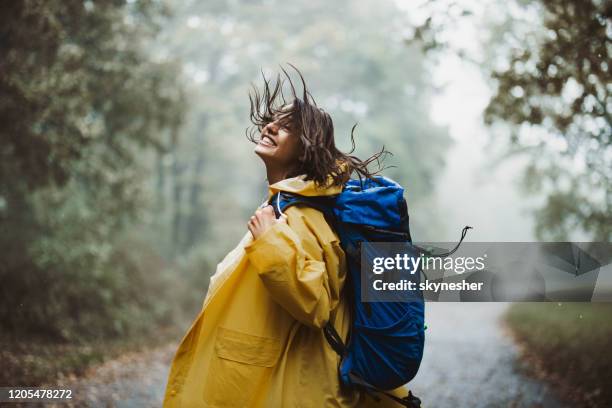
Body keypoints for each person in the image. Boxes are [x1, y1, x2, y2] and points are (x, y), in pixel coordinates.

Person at [162, 65, 409, 407]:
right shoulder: (284, 206)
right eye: (274, 120)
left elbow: (316, 305)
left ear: (306, 148)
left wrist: (268, 244)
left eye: (288, 126)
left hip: (304, 392)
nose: (271, 126)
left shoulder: (305, 216)